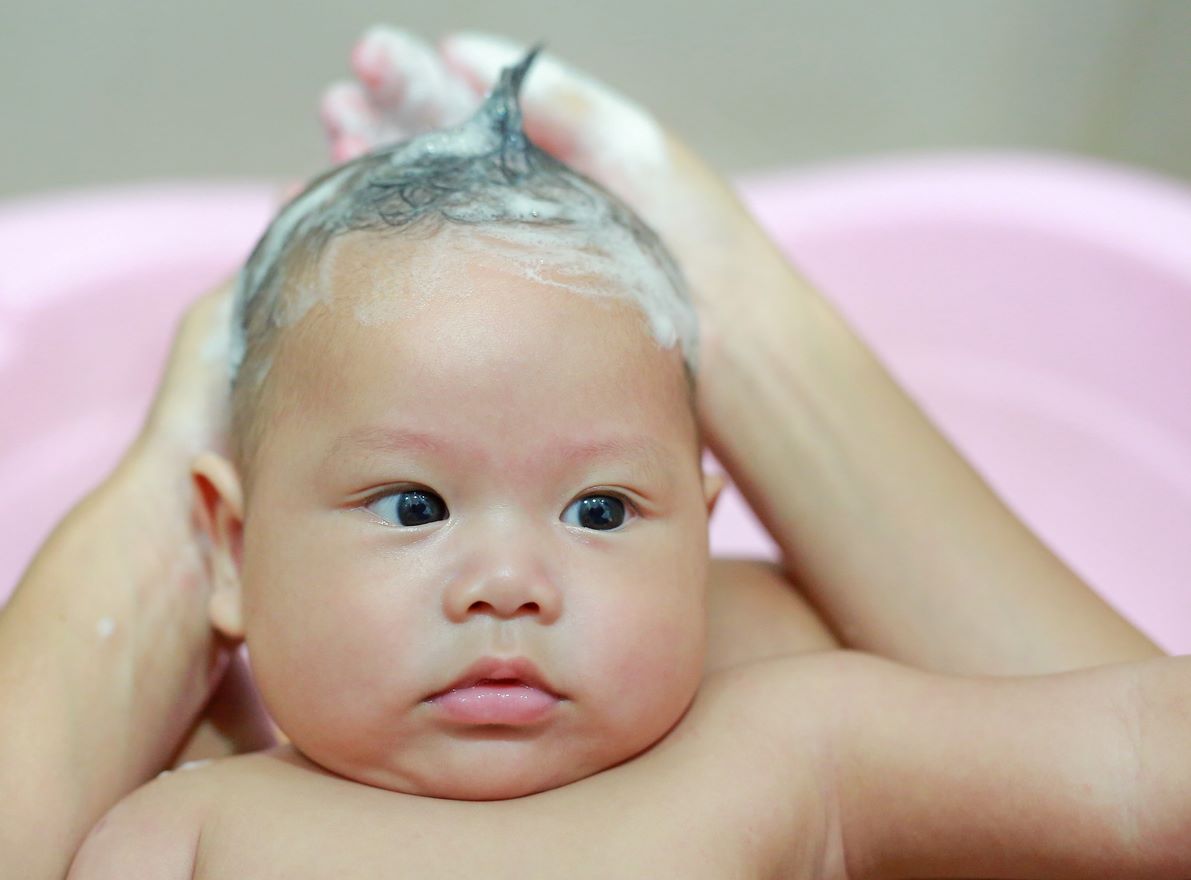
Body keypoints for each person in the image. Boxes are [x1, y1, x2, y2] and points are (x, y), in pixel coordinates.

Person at [0, 29, 1174, 880]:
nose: (510, 579)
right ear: (232, 548)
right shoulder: (185, 824)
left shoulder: (795, 743)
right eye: (413, 503)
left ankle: (746, 332)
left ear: (701, 533)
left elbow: (1138, 759)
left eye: (603, 512)